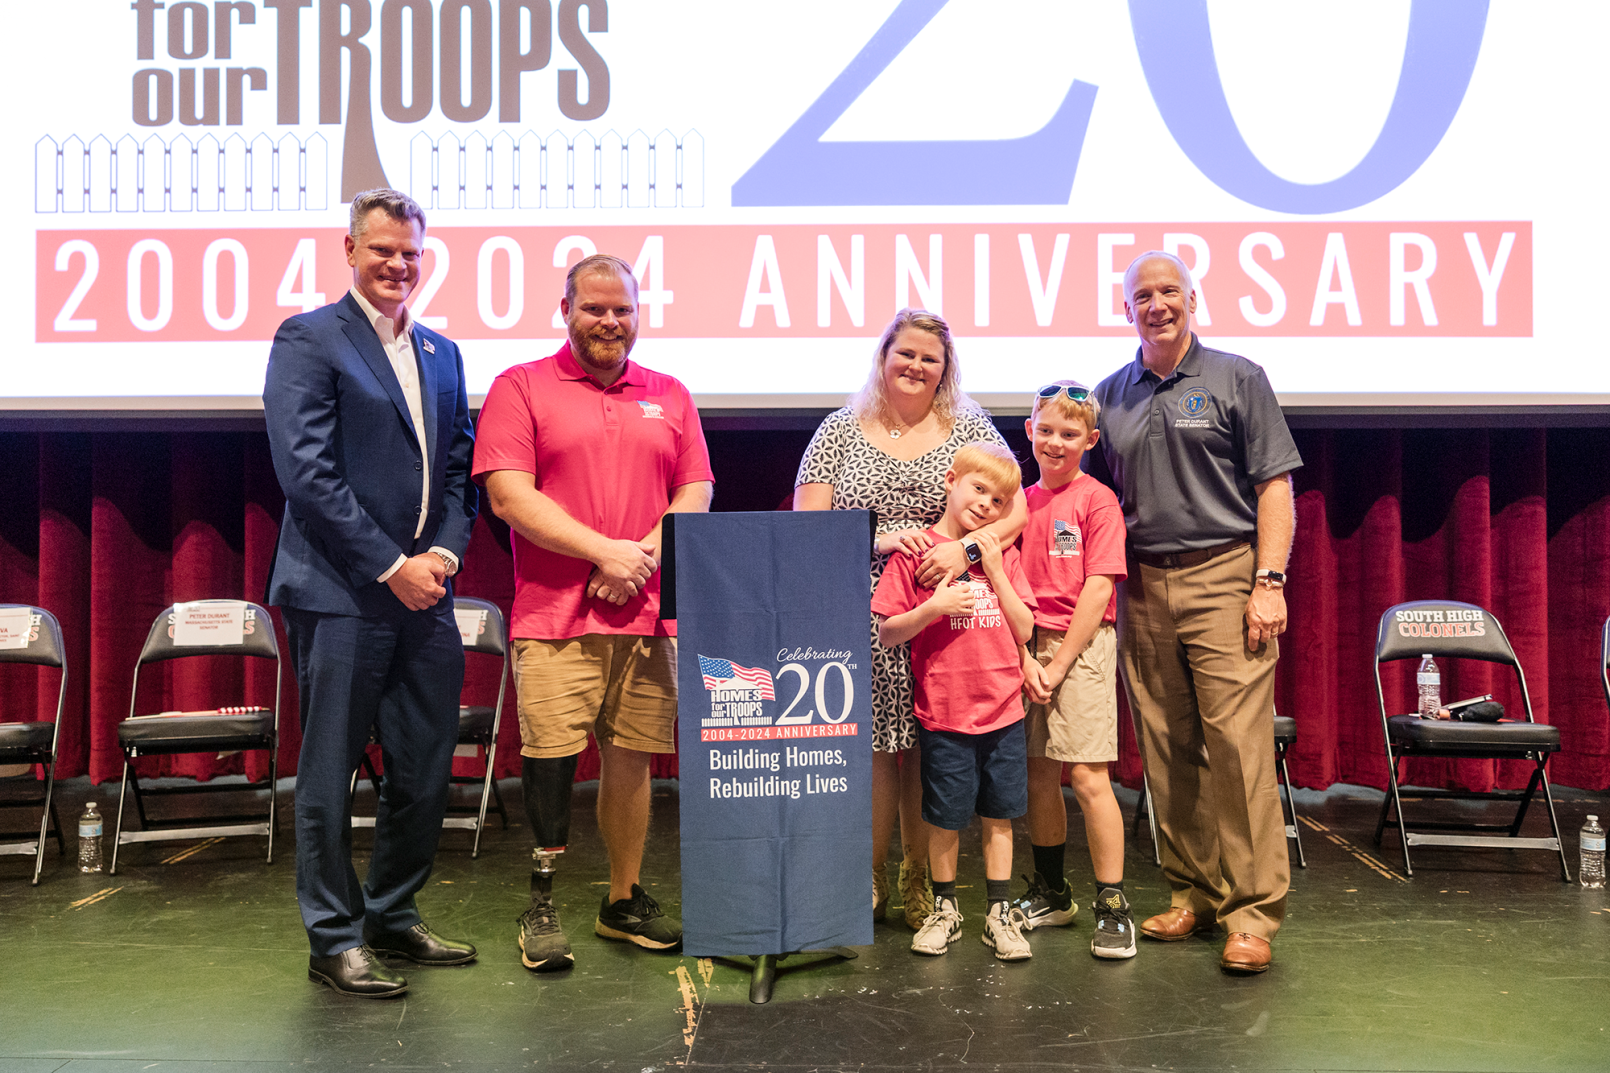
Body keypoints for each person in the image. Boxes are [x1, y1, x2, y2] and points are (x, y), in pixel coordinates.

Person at [263, 188, 479, 999]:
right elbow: (307, 475)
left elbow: (460, 470)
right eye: (382, 250)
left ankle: (392, 911)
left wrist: (447, 554)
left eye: (411, 253)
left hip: (428, 595)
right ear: (349, 250)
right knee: (328, 772)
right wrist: (394, 563)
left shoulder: (442, 353)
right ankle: (333, 937)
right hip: (342, 593)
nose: (398, 264)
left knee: (423, 768)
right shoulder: (311, 338)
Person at [473, 254, 713, 973]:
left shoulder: (670, 393)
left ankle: (621, 899)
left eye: (623, 310)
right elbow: (510, 496)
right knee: (550, 763)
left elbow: (695, 490)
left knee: (633, 760)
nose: (609, 322)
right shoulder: (521, 387)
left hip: (647, 618)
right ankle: (541, 906)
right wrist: (603, 555)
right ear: (566, 309)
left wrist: (637, 557)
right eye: (594, 308)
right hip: (554, 619)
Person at [1091, 251, 1302, 974]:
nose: (1157, 304)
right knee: (1164, 745)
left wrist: (1268, 580)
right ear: (1126, 309)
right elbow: (1089, 504)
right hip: (1142, 585)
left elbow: (1274, 486)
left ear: (1193, 299)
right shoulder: (1108, 395)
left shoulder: (1237, 377)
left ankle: (1251, 913)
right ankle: (1195, 891)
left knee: (1239, 750)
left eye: (1169, 291)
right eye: (1142, 294)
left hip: (1224, 574)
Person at [794, 309, 1026, 931]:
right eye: (907, 353)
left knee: (931, 747)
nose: (917, 366)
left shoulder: (968, 426)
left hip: (946, 610)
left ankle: (921, 879)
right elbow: (807, 526)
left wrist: (966, 550)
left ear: (945, 368)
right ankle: (867, 876)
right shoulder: (839, 430)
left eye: (931, 357)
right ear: (883, 356)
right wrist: (883, 540)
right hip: (861, 607)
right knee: (875, 751)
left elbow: (1015, 510)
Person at [871, 442, 1037, 960]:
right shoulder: (915, 556)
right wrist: (936, 606)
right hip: (944, 713)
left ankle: (998, 912)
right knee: (943, 819)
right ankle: (945, 909)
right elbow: (890, 631)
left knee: (1000, 817)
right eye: (978, 489)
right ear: (951, 481)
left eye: (998, 500)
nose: (986, 505)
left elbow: (1026, 626)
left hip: (1004, 712)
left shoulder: (1002, 554)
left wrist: (993, 566)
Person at [1012, 381, 1136, 959]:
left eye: (1069, 433)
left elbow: (1099, 586)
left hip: (1080, 647)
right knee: (1038, 775)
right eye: (1046, 430)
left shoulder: (1098, 501)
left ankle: (1111, 904)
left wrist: (1059, 663)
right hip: (1025, 645)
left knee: (1087, 777)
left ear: (1089, 440)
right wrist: (1023, 655)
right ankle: (1052, 892)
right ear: (1029, 431)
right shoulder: (1019, 502)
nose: (1055, 442)